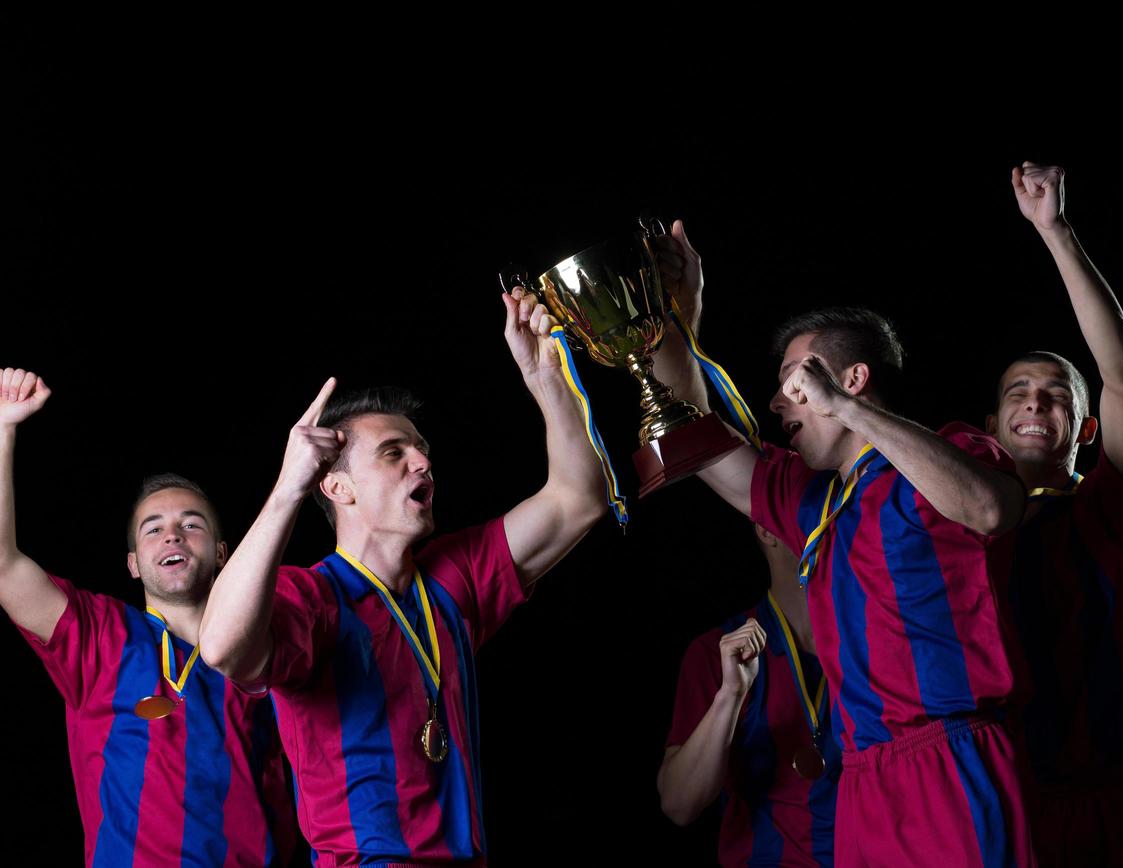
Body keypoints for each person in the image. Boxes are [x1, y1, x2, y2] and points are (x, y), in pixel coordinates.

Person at [652, 227, 1034, 867]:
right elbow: (691, 431)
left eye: (793, 383)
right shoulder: (811, 501)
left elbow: (991, 509)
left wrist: (848, 410)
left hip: (949, 755)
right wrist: (679, 317)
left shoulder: (947, 457)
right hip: (862, 778)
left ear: (854, 378)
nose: (777, 402)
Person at [199, 288, 608, 864]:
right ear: (337, 486)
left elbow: (580, 498)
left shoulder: (452, 576)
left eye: (421, 449)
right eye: (394, 453)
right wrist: (289, 485)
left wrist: (546, 380)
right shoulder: (312, 595)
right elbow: (220, 647)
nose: (423, 462)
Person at [985, 163, 1123, 867]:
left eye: (1055, 393)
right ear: (990, 426)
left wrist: (1054, 231)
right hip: (1020, 802)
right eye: (1018, 391)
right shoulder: (961, 530)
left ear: (1085, 429)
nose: (1034, 402)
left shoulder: (1115, 507)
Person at [0, 366, 295, 866]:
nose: (173, 536)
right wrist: (3, 429)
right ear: (134, 564)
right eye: (153, 529)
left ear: (225, 553)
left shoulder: (271, 645)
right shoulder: (97, 633)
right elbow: (3, 567)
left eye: (191, 525)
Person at [658, 522, 840, 867]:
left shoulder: (874, 644)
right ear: (766, 529)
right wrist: (730, 694)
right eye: (810, 506)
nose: (827, 519)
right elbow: (679, 804)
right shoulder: (716, 652)